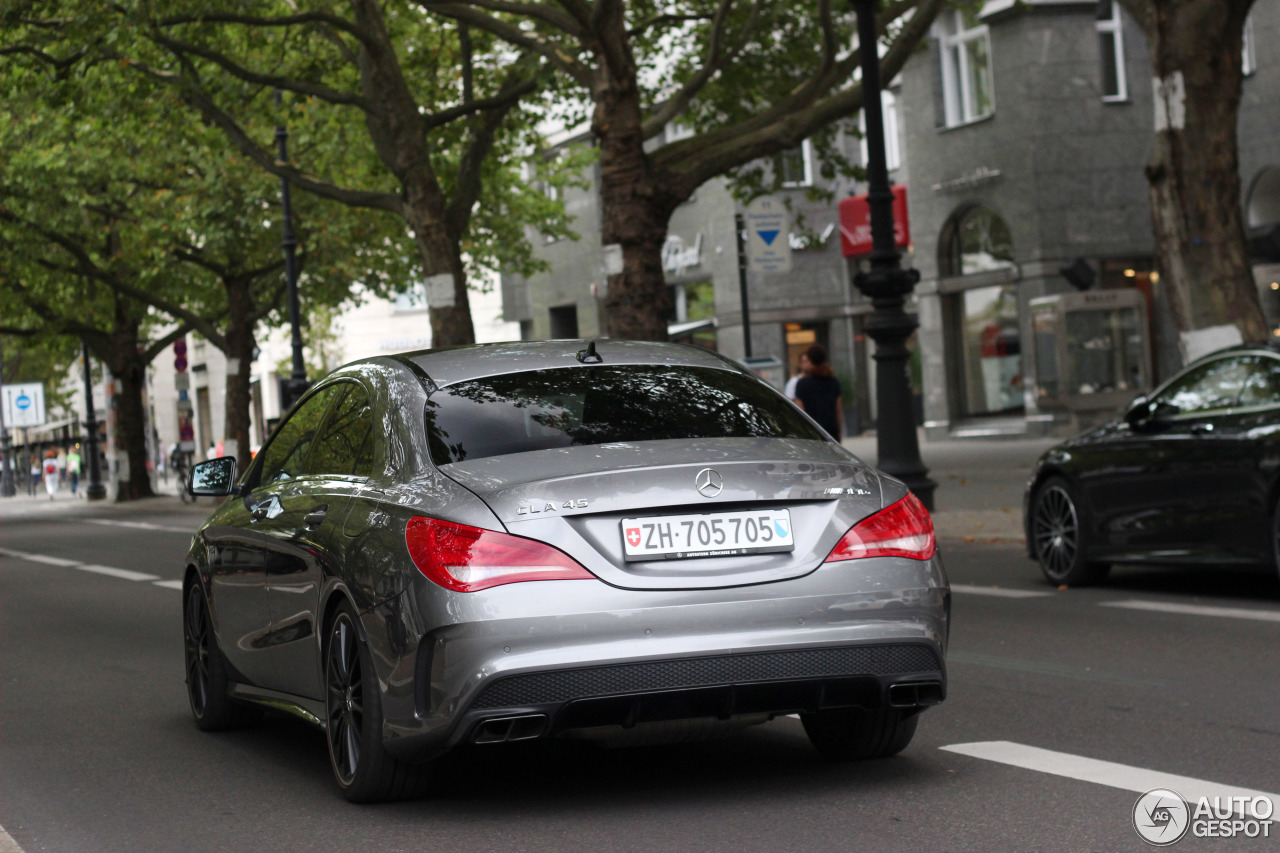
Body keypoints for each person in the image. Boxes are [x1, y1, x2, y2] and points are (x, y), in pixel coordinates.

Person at [793, 344, 844, 439]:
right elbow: (838, 409)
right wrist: (840, 431)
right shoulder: (833, 382)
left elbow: (800, 412)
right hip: (831, 432)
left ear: (810, 361)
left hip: (812, 433)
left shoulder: (802, 384)